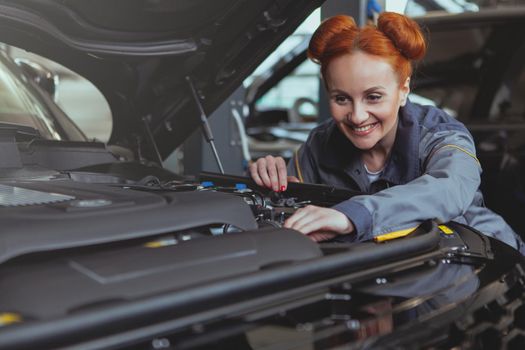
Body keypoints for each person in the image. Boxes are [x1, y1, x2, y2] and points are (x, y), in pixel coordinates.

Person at [249, 12, 525, 253]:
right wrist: (274, 180)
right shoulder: (320, 143)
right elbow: (293, 199)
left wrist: (353, 216)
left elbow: (448, 189)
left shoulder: (441, 135)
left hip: (492, 270)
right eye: (341, 98)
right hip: (387, 275)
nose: (357, 116)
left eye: (373, 97)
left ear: (403, 90)